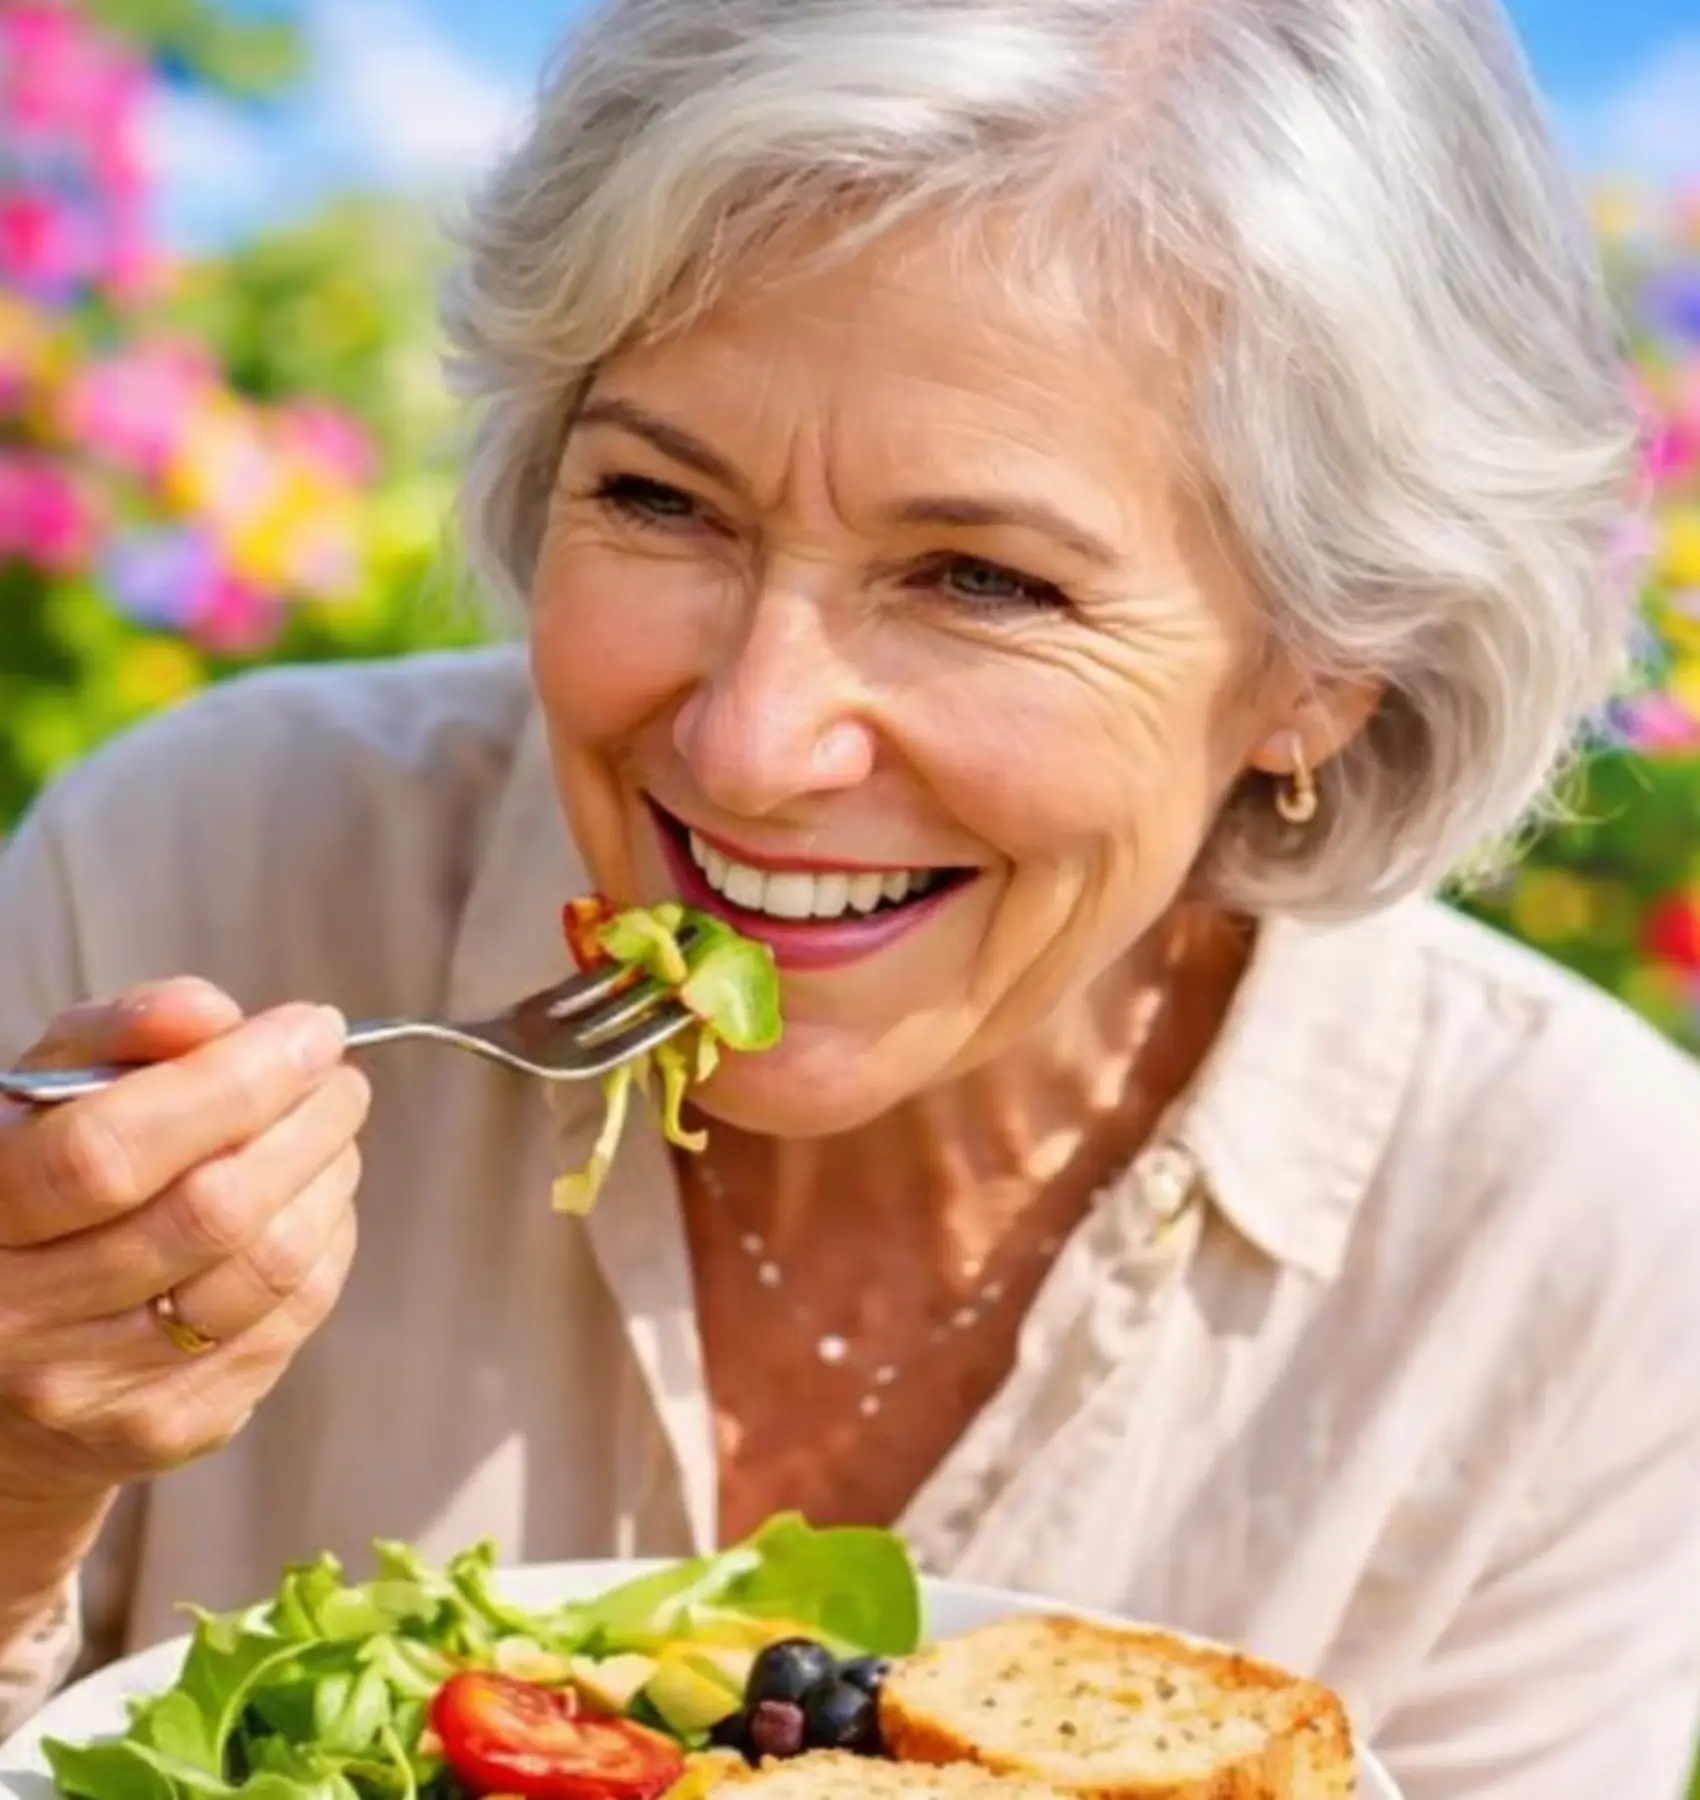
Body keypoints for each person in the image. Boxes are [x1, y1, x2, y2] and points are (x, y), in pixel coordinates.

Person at [2, 0, 1698, 1792]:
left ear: (1328, 667)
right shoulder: (196, 871)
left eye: (982, 578)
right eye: (663, 500)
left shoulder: (1575, 1244)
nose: (748, 746)